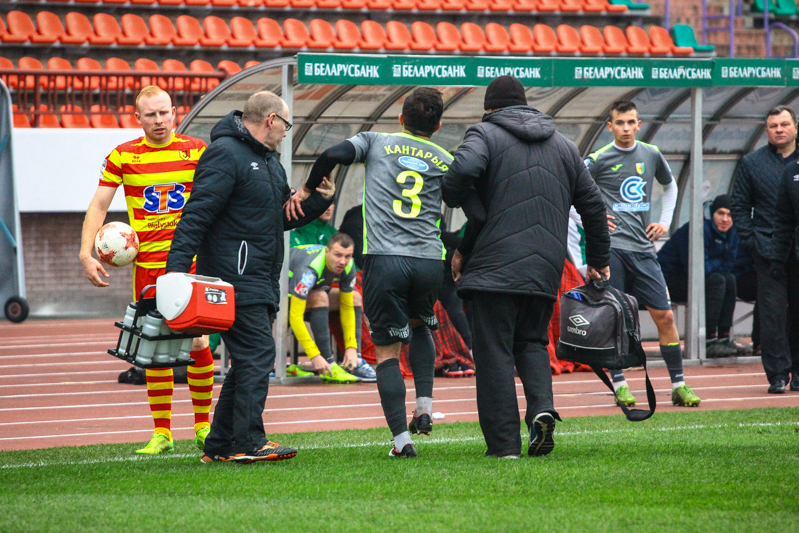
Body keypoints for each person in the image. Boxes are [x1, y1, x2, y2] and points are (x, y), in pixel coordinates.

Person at [443, 75, 610, 459]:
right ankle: (540, 411)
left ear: (490, 108)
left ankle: (504, 446)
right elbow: (593, 206)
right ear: (525, 104)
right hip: (545, 268)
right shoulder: (564, 146)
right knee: (532, 342)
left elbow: (462, 171)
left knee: (495, 353)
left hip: (494, 268)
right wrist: (599, 260)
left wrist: (456, 195)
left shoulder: (484, 134)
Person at [166, 91, 335, 463]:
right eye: (286, 124)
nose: (287, 132)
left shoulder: (271, 163)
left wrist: (320, 200)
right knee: (258, 354)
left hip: (260, 278)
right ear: (271, 120)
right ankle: (249, 441)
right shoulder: (225, 154)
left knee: (248, 359)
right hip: (233, 278)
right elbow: (196, 215)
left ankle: (220, 445)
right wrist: (175, 273)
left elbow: (283, 217)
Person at [302, 87, 451, 458]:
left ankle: (402, 441)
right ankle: (425, 407)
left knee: (386, 352)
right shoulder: (445, 158)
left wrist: (308, 188)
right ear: (438, 125)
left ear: (400, 118)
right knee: (421, 326)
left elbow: (331, 154)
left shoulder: (375, 141)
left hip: (386, 260)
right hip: (429, 260)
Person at [78, 86, 214, 455]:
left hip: (190, 263)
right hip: (148, 268)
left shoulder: (197, 151)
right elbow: (99, 205)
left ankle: (203, 427)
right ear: (137, 118)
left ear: (175, 112)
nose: (159, 120)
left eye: (164, 112)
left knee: (199, 341)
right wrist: (86, 253)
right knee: (155, 345)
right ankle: (162, 433)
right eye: (150, 114)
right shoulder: (123, 155)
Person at [586, 100, 701, 409]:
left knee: (664, 315)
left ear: (639, 124)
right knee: (613, 318)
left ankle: (678, 385)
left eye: (631, 122)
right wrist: (591, 221)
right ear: (609, 126)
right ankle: (620, 385)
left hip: (644, 250)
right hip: (613, 251)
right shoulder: (598, 159)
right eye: (619, 123)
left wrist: (664, 222)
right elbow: (571, 192)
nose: (626, 128)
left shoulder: (651, 154)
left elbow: (670, 187)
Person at [731, 105, 798, 394]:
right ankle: (777, 374)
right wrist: (753, 241)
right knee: (772, 313)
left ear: (795, 127)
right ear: (766, 130)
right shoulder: (752, 163)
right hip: (769, 250)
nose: (779, 130)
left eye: (784, 124)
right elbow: (739, 206)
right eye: (773, 126)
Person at [657, 194, 748, 358]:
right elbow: (698, 268)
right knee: (717, 280)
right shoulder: (696, 229)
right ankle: (708, 340)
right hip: (668, 281)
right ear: (712, 213)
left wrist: (718, 262)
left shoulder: (733, 233)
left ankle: (724, 338)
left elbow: (730, 265)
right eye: (720, 213)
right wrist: (721, 260)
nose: (725, 219)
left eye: (729, 215)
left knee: (729, 279)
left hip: (697, 280)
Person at [287, 233, 376, 382]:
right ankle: (328, 363)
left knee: (354, 297)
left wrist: (352, 347)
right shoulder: (308, 270)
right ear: (327, 251)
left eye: (347, 256)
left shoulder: (348, 265)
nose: (342, 261)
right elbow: (294, 316)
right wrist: (314, 355)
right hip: (281, 296)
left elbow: (347, 306)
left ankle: (356, 359)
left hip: (309, 291)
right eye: (338, 255)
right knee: (320, 297)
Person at [769, 138, 799, 393]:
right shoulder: (791, 173)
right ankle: (797, 371)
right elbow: (784, 220)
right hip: (796, 258)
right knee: (796, 316)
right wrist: (777, 258)